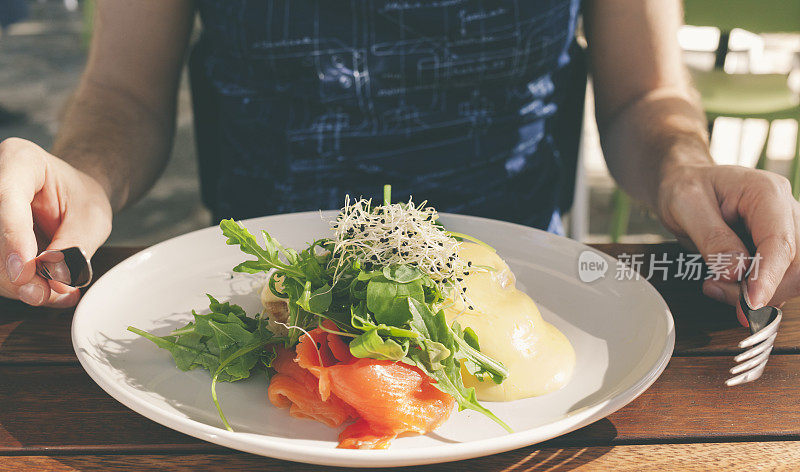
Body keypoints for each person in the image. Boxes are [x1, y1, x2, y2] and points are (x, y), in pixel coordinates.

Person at [1, 0, 798, 318]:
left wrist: (685, 169)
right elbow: (123, 98)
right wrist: (82, 178)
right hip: (264, 303)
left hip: (523, 300)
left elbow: (644, 96)